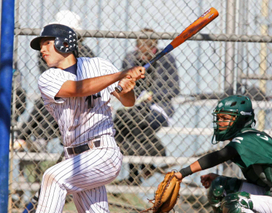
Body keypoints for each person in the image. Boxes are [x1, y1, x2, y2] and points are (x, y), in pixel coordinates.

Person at [29, 23, 145, 213]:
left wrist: (126, 88)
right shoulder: (48, 78)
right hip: (74, 157)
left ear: (64, 44)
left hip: (103, 152)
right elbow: (77, 89)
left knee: (53, 177)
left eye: (47, 43)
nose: (42, 50)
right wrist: (120, 74)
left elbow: (127, 101)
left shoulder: (98, 65)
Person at [174, 95, 272, 213]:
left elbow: (220, 155)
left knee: (235, 202)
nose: (220, 122)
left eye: (225, 118)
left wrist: (182, 173)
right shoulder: (248, 138)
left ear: (242, 119)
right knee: (219, 186)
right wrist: (218, 177)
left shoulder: (248, 138)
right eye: (219, 118)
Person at [16, 10, 95, 152]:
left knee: (59, 101)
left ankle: (33, 137)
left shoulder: (87, 53)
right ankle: (31, 138)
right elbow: (49, 76)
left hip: (80, 102)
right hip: (59, 93)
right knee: (47, 100)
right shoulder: (46, 51)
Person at [113, 28, 180, 185]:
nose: (143, 52)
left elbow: (174, 88)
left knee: (134, 123)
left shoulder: (165, 59)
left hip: (159, 107)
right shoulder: (131, 58)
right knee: (122, 122)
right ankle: (147, 162)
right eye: (140, 47)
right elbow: (123, 86)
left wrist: (153, 95)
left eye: (148, 48)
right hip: (135, 108)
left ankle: (135, 175)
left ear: (154, 47)